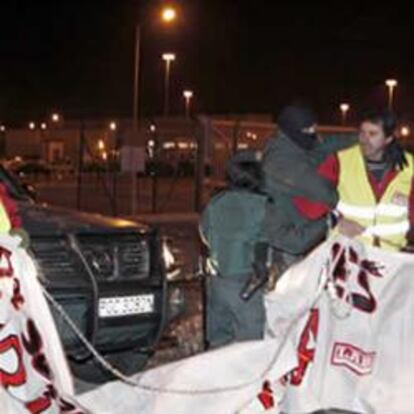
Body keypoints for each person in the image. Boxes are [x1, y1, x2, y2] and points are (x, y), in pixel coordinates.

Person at [294, 109, 413, 251]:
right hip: (347, 253)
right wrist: (334, 220)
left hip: (391, 258)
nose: (364, 139)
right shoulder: (339, 161)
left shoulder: (409, 167)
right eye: (362, 132)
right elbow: (308, 202)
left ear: (388, 139)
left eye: (372, 134)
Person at [262, 103, 355, 271]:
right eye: (308, 131)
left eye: (314, 129)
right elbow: (325, 193)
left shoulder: (292, 145)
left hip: (299, 234)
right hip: (287, 245)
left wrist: (361, 139)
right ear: (292, 130)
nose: (313, 135)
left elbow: (325, 144)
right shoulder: (281, 163)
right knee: (294, 293)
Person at [199, 150, 270, 349]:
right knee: (249, 348)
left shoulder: (215, 203)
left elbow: (204, 234)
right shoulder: (262, 206)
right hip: (247, 282)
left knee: (219, 343)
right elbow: (270, 240)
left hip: (216, 282)